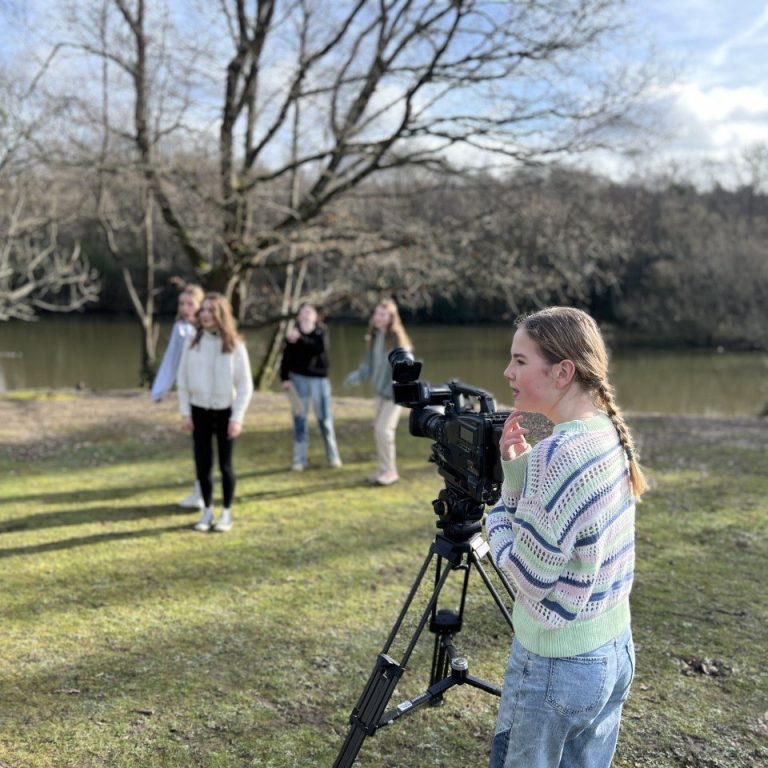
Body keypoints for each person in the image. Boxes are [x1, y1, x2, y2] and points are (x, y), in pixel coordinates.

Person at [484, 306, 646, 768]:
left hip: (558, 662)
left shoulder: (559, 453)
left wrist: (494, 515)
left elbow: (531, 578)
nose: (507, 371)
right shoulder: (603, 433)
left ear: (563, 371)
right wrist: (519, 474)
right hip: (611, 650)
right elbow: (567, 537)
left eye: (519, 360)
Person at [177, 293, 254, 533]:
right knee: (203, 464)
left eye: (211, 310)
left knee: (225, 465)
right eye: (204, 310)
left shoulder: (235, 346)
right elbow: (182, 380)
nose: (206, 315)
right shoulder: (193, 342)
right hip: (199, 411)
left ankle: (226, 513)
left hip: (225, 412)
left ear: (221, 314)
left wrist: (237, 417)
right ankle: (207, 511)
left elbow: (245, 385)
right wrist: (186, 412)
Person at [343, 298, 412, 486]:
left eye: (383, 314)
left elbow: (407, 359)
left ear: (391, 318)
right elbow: (368, 365)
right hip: (380, 393)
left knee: (384, 430)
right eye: (376, 313)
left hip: (395, 395)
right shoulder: (375, 337)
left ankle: (391, 471)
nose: (378, 317)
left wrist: (403, 370)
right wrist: (356, 376)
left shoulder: (397, 339)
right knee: (378, 430)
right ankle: (383, 469)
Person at [150, 283, 205, 509]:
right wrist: (160, 389)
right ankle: (199, 489)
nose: (185, 308)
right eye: (182, 304)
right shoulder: (180, 328)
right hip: (191, 393)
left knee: (210, 445)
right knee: (199, 442)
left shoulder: (209, 329)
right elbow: (171, 360)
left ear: (200, 305)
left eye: (190, 304)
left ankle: (204, 490)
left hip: (212, 393)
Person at [279, 303, 342, 471]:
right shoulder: (292, 335)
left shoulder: (320, 333)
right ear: (298, 317)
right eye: (303, 313)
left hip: (319, 382)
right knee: (300, 420)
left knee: (325, 421)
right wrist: (284, 378)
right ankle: (300, 460)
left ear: (315, 317)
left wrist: (300, 339)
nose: (306, 316)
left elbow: (319, 348)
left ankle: (333, 456)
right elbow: (286, 359)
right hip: (298, 381)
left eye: (309, 313)